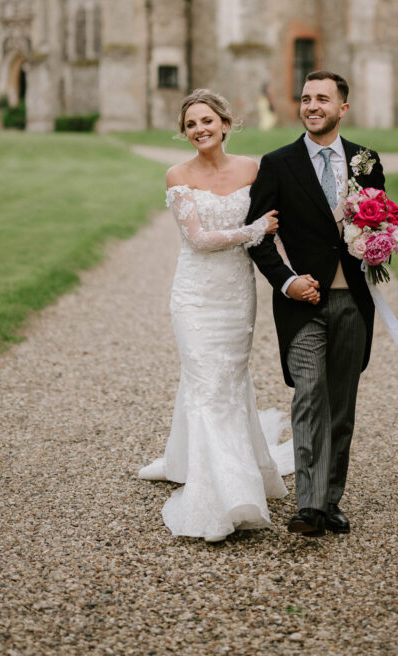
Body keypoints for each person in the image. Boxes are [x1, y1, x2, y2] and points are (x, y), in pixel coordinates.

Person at [138, 89, 293, 543]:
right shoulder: (178, 175)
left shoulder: (252, 170)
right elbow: (198, 240)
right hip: (195, 295)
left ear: (225, 124)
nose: (199, 129)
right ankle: (226, 493)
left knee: (227, 380)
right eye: (190, 124)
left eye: (207, 120)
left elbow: (282, 224)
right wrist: (254, 228)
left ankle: (186, 459)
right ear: (184, 133)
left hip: (236, 294)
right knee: (205, 381)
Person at [246, 70, 385, 538]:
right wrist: (287, 283)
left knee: (341, 406)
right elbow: (258, 236)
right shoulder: (277, 164)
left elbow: (381, 222)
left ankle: (329, 501)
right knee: (309, 395)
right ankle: (308, 506)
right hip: (301, 304)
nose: (311, 106)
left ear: (342, 108)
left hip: (353, 302)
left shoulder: (366, 161)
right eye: (306, 98)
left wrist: (380, 243)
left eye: (322, 99)